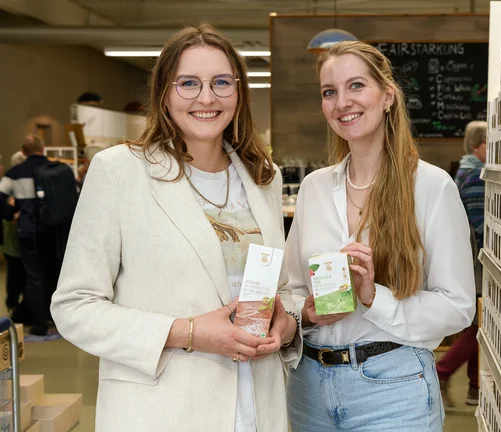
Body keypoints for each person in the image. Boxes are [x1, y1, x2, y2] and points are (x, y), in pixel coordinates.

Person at [50, 23, 300, 432]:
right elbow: (74, 307)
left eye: (222, 82)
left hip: (258, 409)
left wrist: (286, 323)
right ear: (164, 94)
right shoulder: (119, 172)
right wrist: (188, 332)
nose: (207, 97)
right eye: (189, 83)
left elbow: (282, 289)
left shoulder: (262, 178)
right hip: (162, 411)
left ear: (239, 92)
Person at [284, 40, 476, 431]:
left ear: (388, 96)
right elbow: (291, 287)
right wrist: (305, 312)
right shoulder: (315, 188)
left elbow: (458, 307)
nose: (342, 102)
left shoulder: (430, 186)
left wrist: (374, 298)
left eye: (356, 86)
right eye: (329, 92)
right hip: (308, 388)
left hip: (392, 387)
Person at [436, 120, 487, 407]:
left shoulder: (465, 170)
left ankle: (475, 386)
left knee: (480, 321)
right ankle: (442, 371)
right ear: (479, 145)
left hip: (469, 259)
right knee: (479, 324)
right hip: (477, 262)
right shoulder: (476, 175)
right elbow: (481, 226)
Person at [0, 135, 71, 336]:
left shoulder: (15, 172)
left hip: (28, 232)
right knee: (53, 275)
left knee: (34, 277)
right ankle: (55, 317)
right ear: (44, 148)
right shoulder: (57, 170)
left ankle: (39, 323)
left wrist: (11, 214)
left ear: (23, 151)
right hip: (55, 231)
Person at [2, 151, 26, 312]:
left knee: (18, 270)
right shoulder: (9, 184)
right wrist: (13, 214)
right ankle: (12, 304)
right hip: (11, 232)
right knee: (14, 270)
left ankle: (17, 305)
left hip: (14, 232)